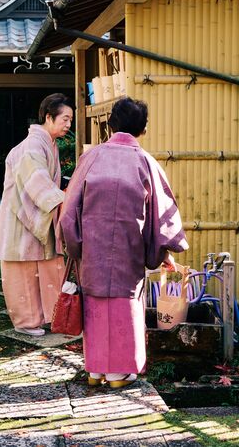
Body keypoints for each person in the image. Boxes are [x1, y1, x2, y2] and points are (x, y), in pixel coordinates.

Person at [58, 97, 189, 388]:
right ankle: (118, 374)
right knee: (123, 306)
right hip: (128, 253)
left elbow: (68, 212)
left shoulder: (90, 159)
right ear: (143, 128)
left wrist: (77, 248)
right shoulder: (146, 163)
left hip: (91, 252)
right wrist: (159, 253)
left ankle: (95, 371)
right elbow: (160, 216)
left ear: (111, 125)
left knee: (95, 308)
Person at [0, 93, 73, 336]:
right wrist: (64, 199)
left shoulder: (46, 143)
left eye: (70, 120)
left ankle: (49, 316)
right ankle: (26, 323)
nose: (68, 125)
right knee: (24, 270)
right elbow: (36, 181)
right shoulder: (32, 146)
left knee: (47, 265)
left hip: (36, 214)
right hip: (21, 216)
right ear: (49, 117)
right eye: (65, 119)